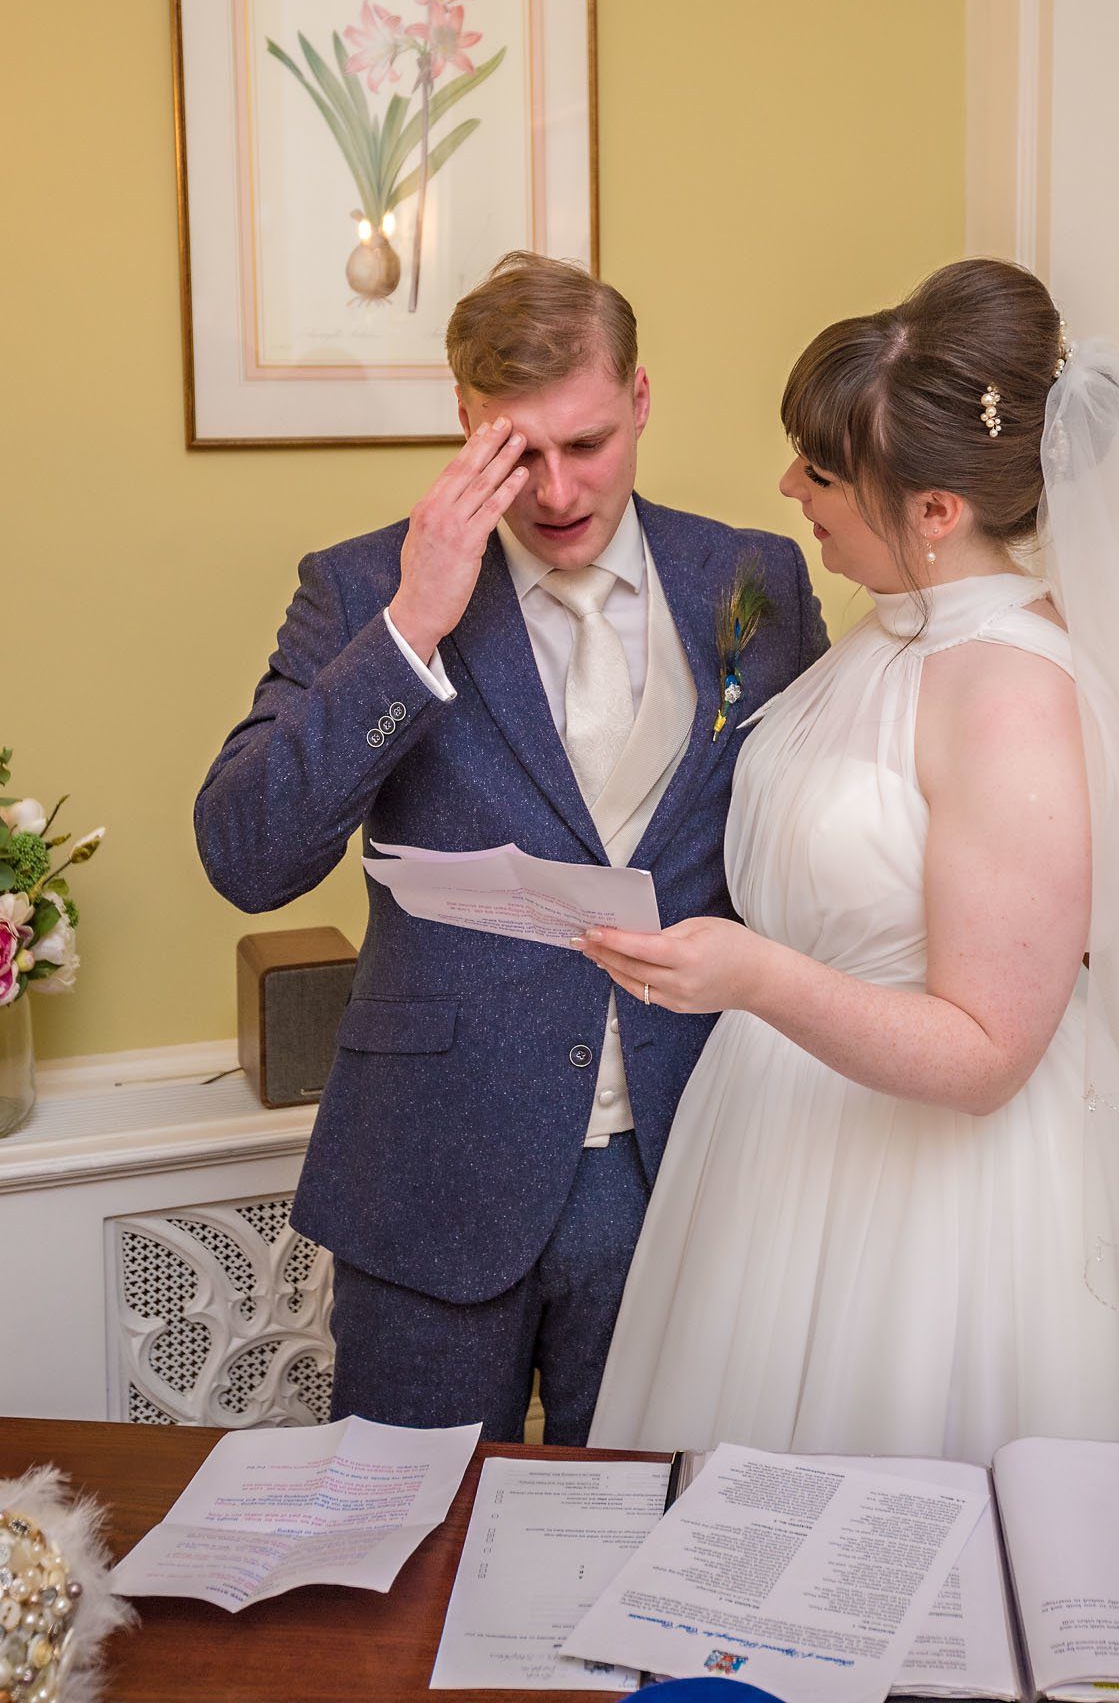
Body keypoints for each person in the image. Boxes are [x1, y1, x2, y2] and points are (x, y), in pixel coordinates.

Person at [583, 257, 1119, 1463]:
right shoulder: (894, 629)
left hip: (943, 1204)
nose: (787, 486)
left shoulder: (1010, 690)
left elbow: (983, 1053)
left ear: (934, 509)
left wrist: (751, 976)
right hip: (782, 1149)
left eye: (822, 469)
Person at [194, 251, 827, 1443]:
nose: (552, 489)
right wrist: (410, 623)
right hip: (437, 1167)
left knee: (648, 1544)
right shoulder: (358, 587)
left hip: (690, 1160)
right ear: (461, 420)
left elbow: (813, 830)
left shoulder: (755, 575)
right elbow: (247, 853)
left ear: (640, 398)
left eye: (584, 442)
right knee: (401, 1559)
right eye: (512, 450)